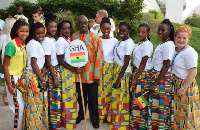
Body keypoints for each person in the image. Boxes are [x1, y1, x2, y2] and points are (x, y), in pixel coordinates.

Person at [71, 15, 103, 129]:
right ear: (77, 24)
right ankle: (82, 114)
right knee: (81, 97)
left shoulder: (95, 37)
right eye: (80, 23)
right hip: (79, 74)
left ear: (88, 23)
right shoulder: (73, 37)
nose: (83, 25)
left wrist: (97, 74)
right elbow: (71, 55)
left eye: (85, 22)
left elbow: (99, 57)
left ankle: (94, 118)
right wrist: (74, 68)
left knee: (93, 97)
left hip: (92, 74)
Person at [148, 19, 175, 129]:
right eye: (159, 30)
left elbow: (166, 66)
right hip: (158, 76)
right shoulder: (163, 43)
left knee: (161, 106)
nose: (160, 32)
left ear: (169, 31)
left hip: (162, 79)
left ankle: (160, 127)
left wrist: (155, 83)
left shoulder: (168, 45)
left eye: (163, 30)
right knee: (155, 104)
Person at [107, 22, 135, 130]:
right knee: (116, 97)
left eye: (124, 30)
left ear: (128, 31)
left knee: (121, 98)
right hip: (117, 70)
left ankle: (120, 123)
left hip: (122, 73)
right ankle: (115, 120)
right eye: (120, 30)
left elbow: (127, 61)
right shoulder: (121, 41)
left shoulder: (129, 43)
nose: (121, 32)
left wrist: (119, 78)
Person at [172, 26, 200, 129]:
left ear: (188, 39)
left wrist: (183, 88)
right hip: (176, 82)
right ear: (175, 37)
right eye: (179, 37)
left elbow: (193, 72)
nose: (181, 40)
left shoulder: (189, 52)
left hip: (185, 85)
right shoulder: (175, 49)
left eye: (184, 38)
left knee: (186, 112)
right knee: (177, 112)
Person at [3, 20, 29, 130]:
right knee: (17, 108)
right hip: (13, 79)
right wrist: (9, 85)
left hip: (20, 79)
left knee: (20, 106)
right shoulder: (11, 45)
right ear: (16, 31)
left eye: (27, 31)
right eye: (22, 31)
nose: (25, 34)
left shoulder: (23, 44)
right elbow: (5, 66)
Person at [22, 22, 48, 129]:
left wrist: (44, 68)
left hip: (36, 74)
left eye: (42, 33)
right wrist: (42, 80)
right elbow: (33, 63)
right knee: (34, 106)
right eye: (38, 33)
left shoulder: (36, 43)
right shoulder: (33, 44)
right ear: (33, 33)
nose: (41, 35)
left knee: (37, 105)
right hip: (34, 76)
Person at [56, 20, 81, 129]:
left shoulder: (68, 40)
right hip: (66, 71)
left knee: (72, 96)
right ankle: (68, 122)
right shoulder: (61, 41)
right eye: (64, 28)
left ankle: (70, 120)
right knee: (68, 97)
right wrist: (72, 69)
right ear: (60, 30)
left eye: (68, 28)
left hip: (71, 71)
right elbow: (60, 60)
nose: (67, 30)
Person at [130, 23, 153, 129]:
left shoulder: (148, 45)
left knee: (141, 100)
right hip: (138, 72)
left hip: (143, 75)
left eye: (143, 32)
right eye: (139, 31)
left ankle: (141, 125)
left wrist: (135, 78)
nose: (140, 34)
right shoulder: (139, 44)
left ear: (148, 33)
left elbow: (143, 63)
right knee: (136, 99)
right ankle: (135, 124)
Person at [97, 17, 118, 124]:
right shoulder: (97, 39)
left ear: (111, 29)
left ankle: (108, 116)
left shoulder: (115, 41)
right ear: (100, 28)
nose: (106, 31)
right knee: (100, 93)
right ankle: (100, 116)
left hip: (110, 70)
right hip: (99, 69)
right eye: (103, 29)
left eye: (108, 29)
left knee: (109, 92)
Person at [42, 19, 61, 129]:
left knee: (56, 99)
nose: (54, 29)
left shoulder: (52, 39)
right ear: (46, 28)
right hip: (52, 71)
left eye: (55, 27)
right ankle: (52, 125)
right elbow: (48, 61)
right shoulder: (47, 41)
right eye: (51, 27)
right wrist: (55, 77)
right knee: (53, 100)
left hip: (55, 70)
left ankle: (55, 123)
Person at [0, 18, 16, 106]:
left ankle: (8, 93)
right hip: (6, 60)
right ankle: (6, 94)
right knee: (8, 77)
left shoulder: (14, 36)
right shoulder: (3, 37)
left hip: (15, 61)